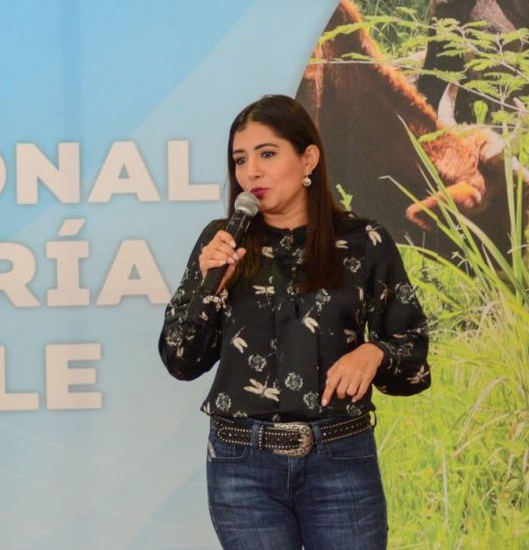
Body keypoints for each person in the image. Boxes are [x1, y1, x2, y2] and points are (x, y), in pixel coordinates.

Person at [158, 95, 430, 549]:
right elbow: (180, 360)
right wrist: (210, 289)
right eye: (240, 160)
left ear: (308, 159)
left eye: (267, 154)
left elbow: (414, 361)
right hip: (242, 466)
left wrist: (375, 352)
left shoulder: (364, 241)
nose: (251, 173)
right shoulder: (221, 241)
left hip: (340, 459)